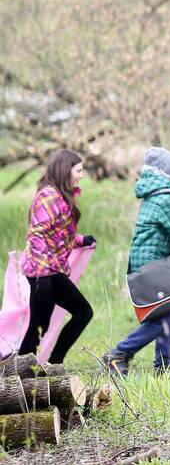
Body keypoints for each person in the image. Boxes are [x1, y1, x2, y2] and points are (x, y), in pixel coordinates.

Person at [103, 148, 170, 375]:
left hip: (149, 263)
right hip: (154, 266)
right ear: (167, 174)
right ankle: (119, 353)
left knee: (169, 318)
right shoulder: (164, 198)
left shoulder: (157, 196)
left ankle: (163, 367)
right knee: (161, 321)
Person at [18, 150, 96, 364]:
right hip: (43, 272)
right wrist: (43, 275)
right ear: (66, 170)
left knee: (39, 325)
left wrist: (80, 240)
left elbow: (56, 233)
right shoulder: (49, 196)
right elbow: (37, 234)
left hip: (47, 270)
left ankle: (26, 371)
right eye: (78, 170)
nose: (82, 175)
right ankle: (53, 364)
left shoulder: (59, 195)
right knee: (83, 312)